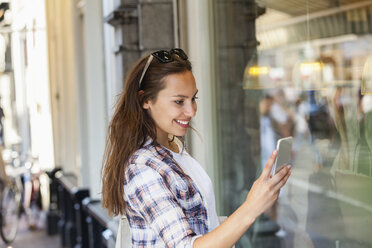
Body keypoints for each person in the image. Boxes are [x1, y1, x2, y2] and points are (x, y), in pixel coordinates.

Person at [101, 48, 291, 247]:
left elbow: (205, 224)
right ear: (145, 100)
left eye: (193, 99)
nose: (191, 111)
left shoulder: (173, 148)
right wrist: (251, 207)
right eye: (179, 101)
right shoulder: (142, 169)